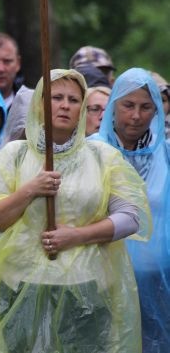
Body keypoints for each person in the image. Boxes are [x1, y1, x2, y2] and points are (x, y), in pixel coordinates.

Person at [0, 68, 151, 352]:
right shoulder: (14, 156)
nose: (65, 105)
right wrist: (30, 189)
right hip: (19, 287)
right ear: (40, 103)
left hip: (87, 291)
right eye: (56, 97)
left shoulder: (103, 158)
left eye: (74, 100)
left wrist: (77, 236)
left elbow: (130, 218)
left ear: (82, 108)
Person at [90, 68, 170, 352]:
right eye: (128, 105)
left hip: (158, 284)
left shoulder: (166, 154)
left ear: (156, 110)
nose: (136, 115)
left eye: (146, 107)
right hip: (101, 284)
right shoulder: (92, 152)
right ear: (113, 106)